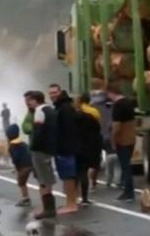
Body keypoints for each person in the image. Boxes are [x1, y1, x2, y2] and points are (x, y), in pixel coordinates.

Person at [26, 90, 58, 219]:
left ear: (35, 100)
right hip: (49, 148)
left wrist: (33, 146)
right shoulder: (50, 110)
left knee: (43, 179)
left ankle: (48, 209)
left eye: (30, 100)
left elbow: (38, 131)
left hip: (40, 149)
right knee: (47, 177)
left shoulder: (39, 111)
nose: (28, 103)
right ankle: (48, 207)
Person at [49, 83, 79, 214]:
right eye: (51, 93)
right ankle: (73, 200)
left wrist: (61, 146)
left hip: (65, 147)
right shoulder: (63, 106)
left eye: (55, 92)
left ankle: (71, 204)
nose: (53, 95)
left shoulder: (64, 108)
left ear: (60, 92)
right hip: (66, 146)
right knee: (69, 176)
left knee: (68, 176)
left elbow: (67, 129)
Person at [107, 83, 136, 202]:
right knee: (127, 165)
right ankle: (127, 188)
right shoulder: (129, 102)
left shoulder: (117, 105)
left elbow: (117, 127)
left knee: (125, 167)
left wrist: (114, 141)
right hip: (131, 138)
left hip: (122, 140)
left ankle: (128, 192)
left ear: (111, 92)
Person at [76, 93, 103, 205]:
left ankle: (76, 196)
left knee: (80, 172)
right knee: (94, 165)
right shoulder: (94, 112)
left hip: (79, 144)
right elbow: (98, 127)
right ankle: (93, 184)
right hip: (92, 143)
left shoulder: (76, 114)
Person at [6, 123, 33, 207]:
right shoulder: (22, 142)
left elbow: (15, 158)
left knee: (21, 183)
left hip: (23, 167)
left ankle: (26, 199)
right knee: (23, 182)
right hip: (30, 164)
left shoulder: (12, 146)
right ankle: (26, 199)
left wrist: (16, 168)